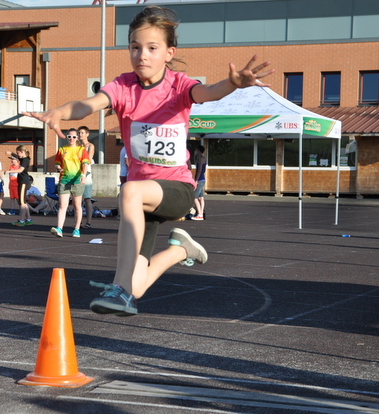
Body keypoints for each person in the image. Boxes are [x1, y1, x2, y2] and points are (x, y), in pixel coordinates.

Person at [24, 5, 273, 316]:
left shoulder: (178, 85)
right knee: (138, 285)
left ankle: (118, 288)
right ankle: (179, 251)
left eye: (152, 48)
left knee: (128, 191)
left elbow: (208, 92)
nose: (142, 55)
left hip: (176, 189)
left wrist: (232, 83)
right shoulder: (123, 86)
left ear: (169, 53)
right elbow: (89, 104)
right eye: (135, 47)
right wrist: (60, 112)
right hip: (143, 199)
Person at [49, 128, 89, 238]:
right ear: (67, 137)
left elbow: (85, 164)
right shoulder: (62, 149)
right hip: (64, 180)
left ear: (77, 138)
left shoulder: (81, 150)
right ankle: (59, 228)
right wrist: (58, 167)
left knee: (77, 206)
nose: (71, 139)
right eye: (69, 137)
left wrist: (83, 176)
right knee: (62, 206)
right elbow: (57, 163)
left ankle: (76, 229)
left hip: (77, 180)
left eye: (74, 137)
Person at [5, 146, 33, 226]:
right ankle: (28, 219)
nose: (17, 155)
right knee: (23, 202)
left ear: (22, 152)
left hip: (23, 182)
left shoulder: (25, 160)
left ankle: (22, 220)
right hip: (21, 181)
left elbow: (21, 170)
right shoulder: (22, 159)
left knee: (22, 202)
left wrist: (9, 171)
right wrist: (11, 153)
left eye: (18, 153)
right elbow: (17, 157)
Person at [78, 125, 95, 229]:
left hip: (87, 173)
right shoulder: (77, 146)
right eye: (79, 133)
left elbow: (88, 159)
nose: (80, 135)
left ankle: (88, 222)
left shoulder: (90, 146)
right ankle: (78, 222)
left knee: (87, 198)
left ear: (87, 134)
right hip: (77, 173)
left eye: (82, 133)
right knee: (77, 199)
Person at [192, 145, 206, 220]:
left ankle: (200, 213)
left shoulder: (201, 158)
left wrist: (196, 180)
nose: (195, 151)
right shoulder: (203, 158)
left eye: (196, 150)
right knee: (201, 197)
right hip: (202, 179)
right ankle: (201, 213)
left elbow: (199, 170)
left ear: (199, 151)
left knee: (194, 197)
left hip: (200, 180)